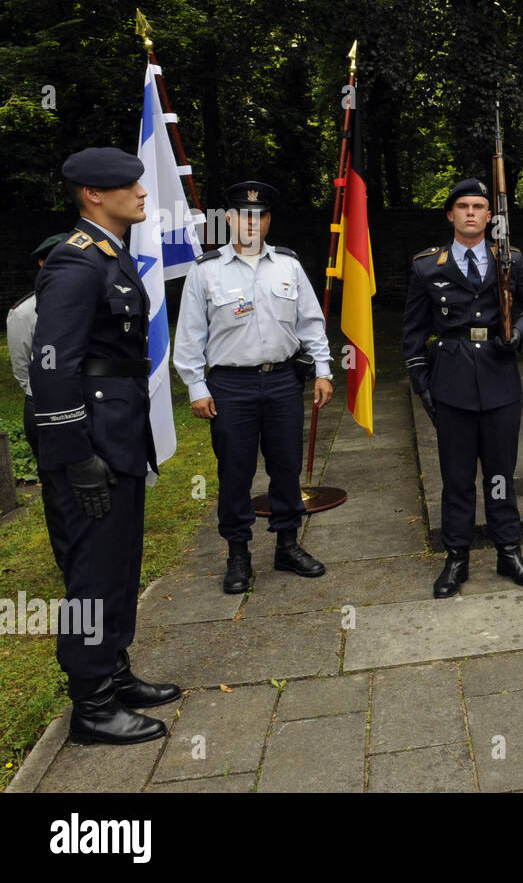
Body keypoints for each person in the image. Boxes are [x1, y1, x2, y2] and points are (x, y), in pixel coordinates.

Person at [29, 147, 181, 744]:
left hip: (118, 434)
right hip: (90, 442)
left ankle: (114, 672)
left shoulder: (110, 256)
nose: (142, 193)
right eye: (128, 186)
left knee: (119, 564)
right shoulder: (76, 262)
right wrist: (74, 455)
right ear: (93, 194)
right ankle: (91, 707)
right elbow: (51, 368)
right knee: (92, 573)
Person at [173, 181, 333, 594]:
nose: (251, 223)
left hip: (282, 381)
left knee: (286, 467)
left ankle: (286, 544)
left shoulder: (288, 266)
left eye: (259, 216)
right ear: (228, 219)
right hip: (230, 386)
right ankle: (238, 555)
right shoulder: (205, 270)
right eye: (243, 215)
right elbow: (190, 336)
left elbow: (310, 323)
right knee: (235, 472)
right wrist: (195, 386)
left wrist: (323, 370)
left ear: (267, 221)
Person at [402, 177, 523, 598]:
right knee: (457, 477)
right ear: (451, 214)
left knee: (501, 474)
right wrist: (421, 381)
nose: (470, 212)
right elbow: (413, 332)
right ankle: (457, 558)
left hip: (501, 378)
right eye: (462, 206)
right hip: (451, 382)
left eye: (479, 206)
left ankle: (508, 551)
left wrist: (519, 332)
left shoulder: (511, 260)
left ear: (490, 215)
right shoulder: (428, 265)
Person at [7, 234, 71, 570]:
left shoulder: (89, 299)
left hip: (87, 404)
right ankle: (67, 559)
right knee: (58, 488)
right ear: (43, 265)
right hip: (44, 407)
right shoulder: (25, 312)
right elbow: (22, 369)